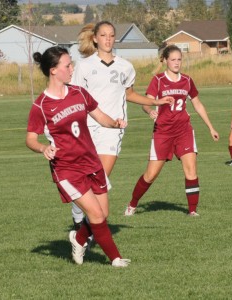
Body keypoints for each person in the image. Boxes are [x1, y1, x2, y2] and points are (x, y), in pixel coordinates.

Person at [26, 46, 131, 267]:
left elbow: (100, 116)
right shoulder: (41, 106)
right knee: (96, 214)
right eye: (67, 65)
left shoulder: (79, 92)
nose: (72, 68)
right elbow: (30, 139)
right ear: (53, 70)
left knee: (103, 212)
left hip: (91, 161)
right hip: (67, 169)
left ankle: (79, 238)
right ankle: (115, 259)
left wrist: (115, 123)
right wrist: (42, 148)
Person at [70, 21, 174, 229]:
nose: (108, 39)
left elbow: (130, 94)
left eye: (111, 35)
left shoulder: (125, 66)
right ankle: (79, 216)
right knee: (87, 180)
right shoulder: (84, 66)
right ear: (95, 39)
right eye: (104, 35)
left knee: (100, 179)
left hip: (113, 130)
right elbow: (75, 97)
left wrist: (155, 101)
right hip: (88, 129)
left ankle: (85, 230)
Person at [124, 44, 219, 217]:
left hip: (184, 131)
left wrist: (211, 127)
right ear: (166, 61)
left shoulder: (187, 80)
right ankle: (132, 204)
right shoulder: (158, 80)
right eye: (173, 59)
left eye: (179, 59)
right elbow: (147, 102)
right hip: (163, 132)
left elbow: (197, 103)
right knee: (151, 175)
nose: (176, 63)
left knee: (191, 170)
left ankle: (192, 211)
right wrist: (150, 110)